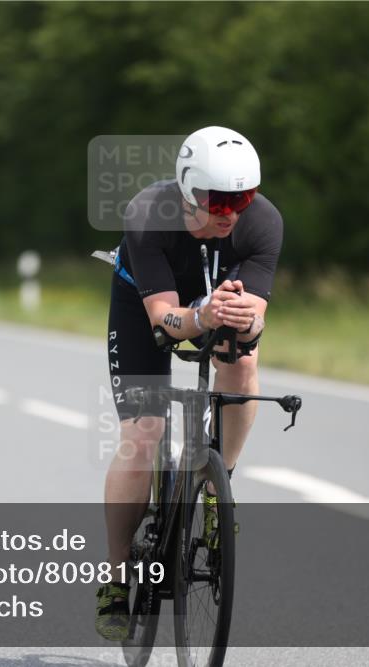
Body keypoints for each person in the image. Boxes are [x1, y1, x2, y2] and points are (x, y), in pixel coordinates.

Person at [95, 126, 283, 640]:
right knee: (144, 434)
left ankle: (220, 490)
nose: (230, 213)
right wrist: (202, 313)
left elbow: (257, 319)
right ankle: (114, 577)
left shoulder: (262, 221)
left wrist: (247, 321)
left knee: (243, 364)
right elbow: (163, 323)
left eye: (240, 200)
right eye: (217, 201)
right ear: (185, 188)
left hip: (211, 308)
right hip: (147, 309)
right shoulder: (146, 213)